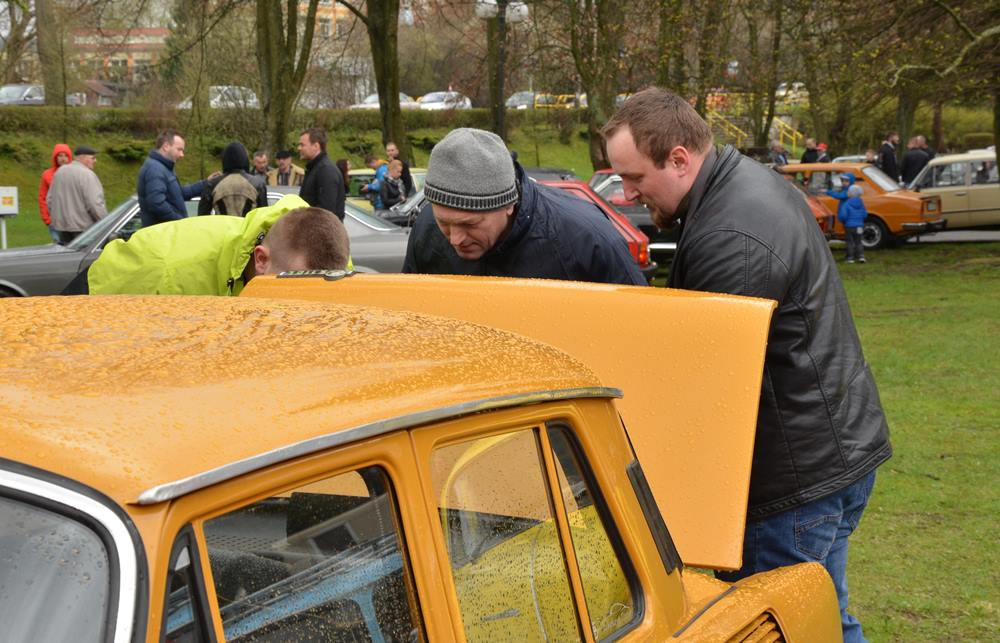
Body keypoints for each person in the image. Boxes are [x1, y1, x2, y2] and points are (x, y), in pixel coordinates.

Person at [603, 87, 890, 643]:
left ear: (680, 158)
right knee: (826, 618)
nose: (628, 194)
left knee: (778, 629)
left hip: (792, 483)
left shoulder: (730, 235)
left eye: (634, 177)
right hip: (832, 455)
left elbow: (707, 385)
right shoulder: (746, 185)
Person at [403, 127, 646, 286]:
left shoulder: (586, 239)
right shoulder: (426, 229)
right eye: (444, 222)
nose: (455, 239)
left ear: (508, 204)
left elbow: (640, 321)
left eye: (469, 224)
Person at [88, 195, 350, 296]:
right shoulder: (163, 270)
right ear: (261, 259)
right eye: (295, 287)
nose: (305, 304)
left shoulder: (333, 268)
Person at [137, 129, 207, 227]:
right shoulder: (155, 169)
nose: (182, 155)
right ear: (166, 146)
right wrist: (180, 222)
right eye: (179, 149)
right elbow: (156, 203)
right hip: (162, 235)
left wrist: (205, 184)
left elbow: (178, 194)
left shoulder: (164, 168)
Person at [46, 145, 107, 244]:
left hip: (61, 228)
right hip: (84, 230)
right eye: (93, 158)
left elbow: (50, 199)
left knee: (67, 258)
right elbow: (94, 203)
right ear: (82, 158)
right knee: (86, 258)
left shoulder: (60, 172)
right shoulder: (87, 175)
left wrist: (57, 219)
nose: (95, 161)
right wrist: (106, 222)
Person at [198, 142, 267, 216]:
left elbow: (202, 216)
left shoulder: (212, 184)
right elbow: (264, 217)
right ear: (245, 159)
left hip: (222, 226)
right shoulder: (258, 184)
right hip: (248, 227)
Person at [297, 127, 346, 220]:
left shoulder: (326, 171)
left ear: (316, 146)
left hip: (323, 232)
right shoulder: (314, 169)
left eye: (302, 145)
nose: (299, 148)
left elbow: (325, 211)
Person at [826, 173, 867, 263]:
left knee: (849, 241)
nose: (844, 183)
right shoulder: (861, 202)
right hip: (859, 226)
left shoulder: (847, 203)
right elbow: (865, 214)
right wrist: (861, 220)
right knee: (859, 241)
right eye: (843, 181)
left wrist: (841, 220)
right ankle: (861, 256)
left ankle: (850, 258)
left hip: (849, 225)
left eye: (846, 181)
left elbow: (843, 215)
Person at [38, 143, 72, 243]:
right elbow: (42, 197)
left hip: (73, 220)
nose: (63, 158)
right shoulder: (47, 175)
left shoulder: (75, 173)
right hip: (54, 221)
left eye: (66, 155)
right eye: (60, 155)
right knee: (59, 247)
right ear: (55, 157)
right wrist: (47, 219)